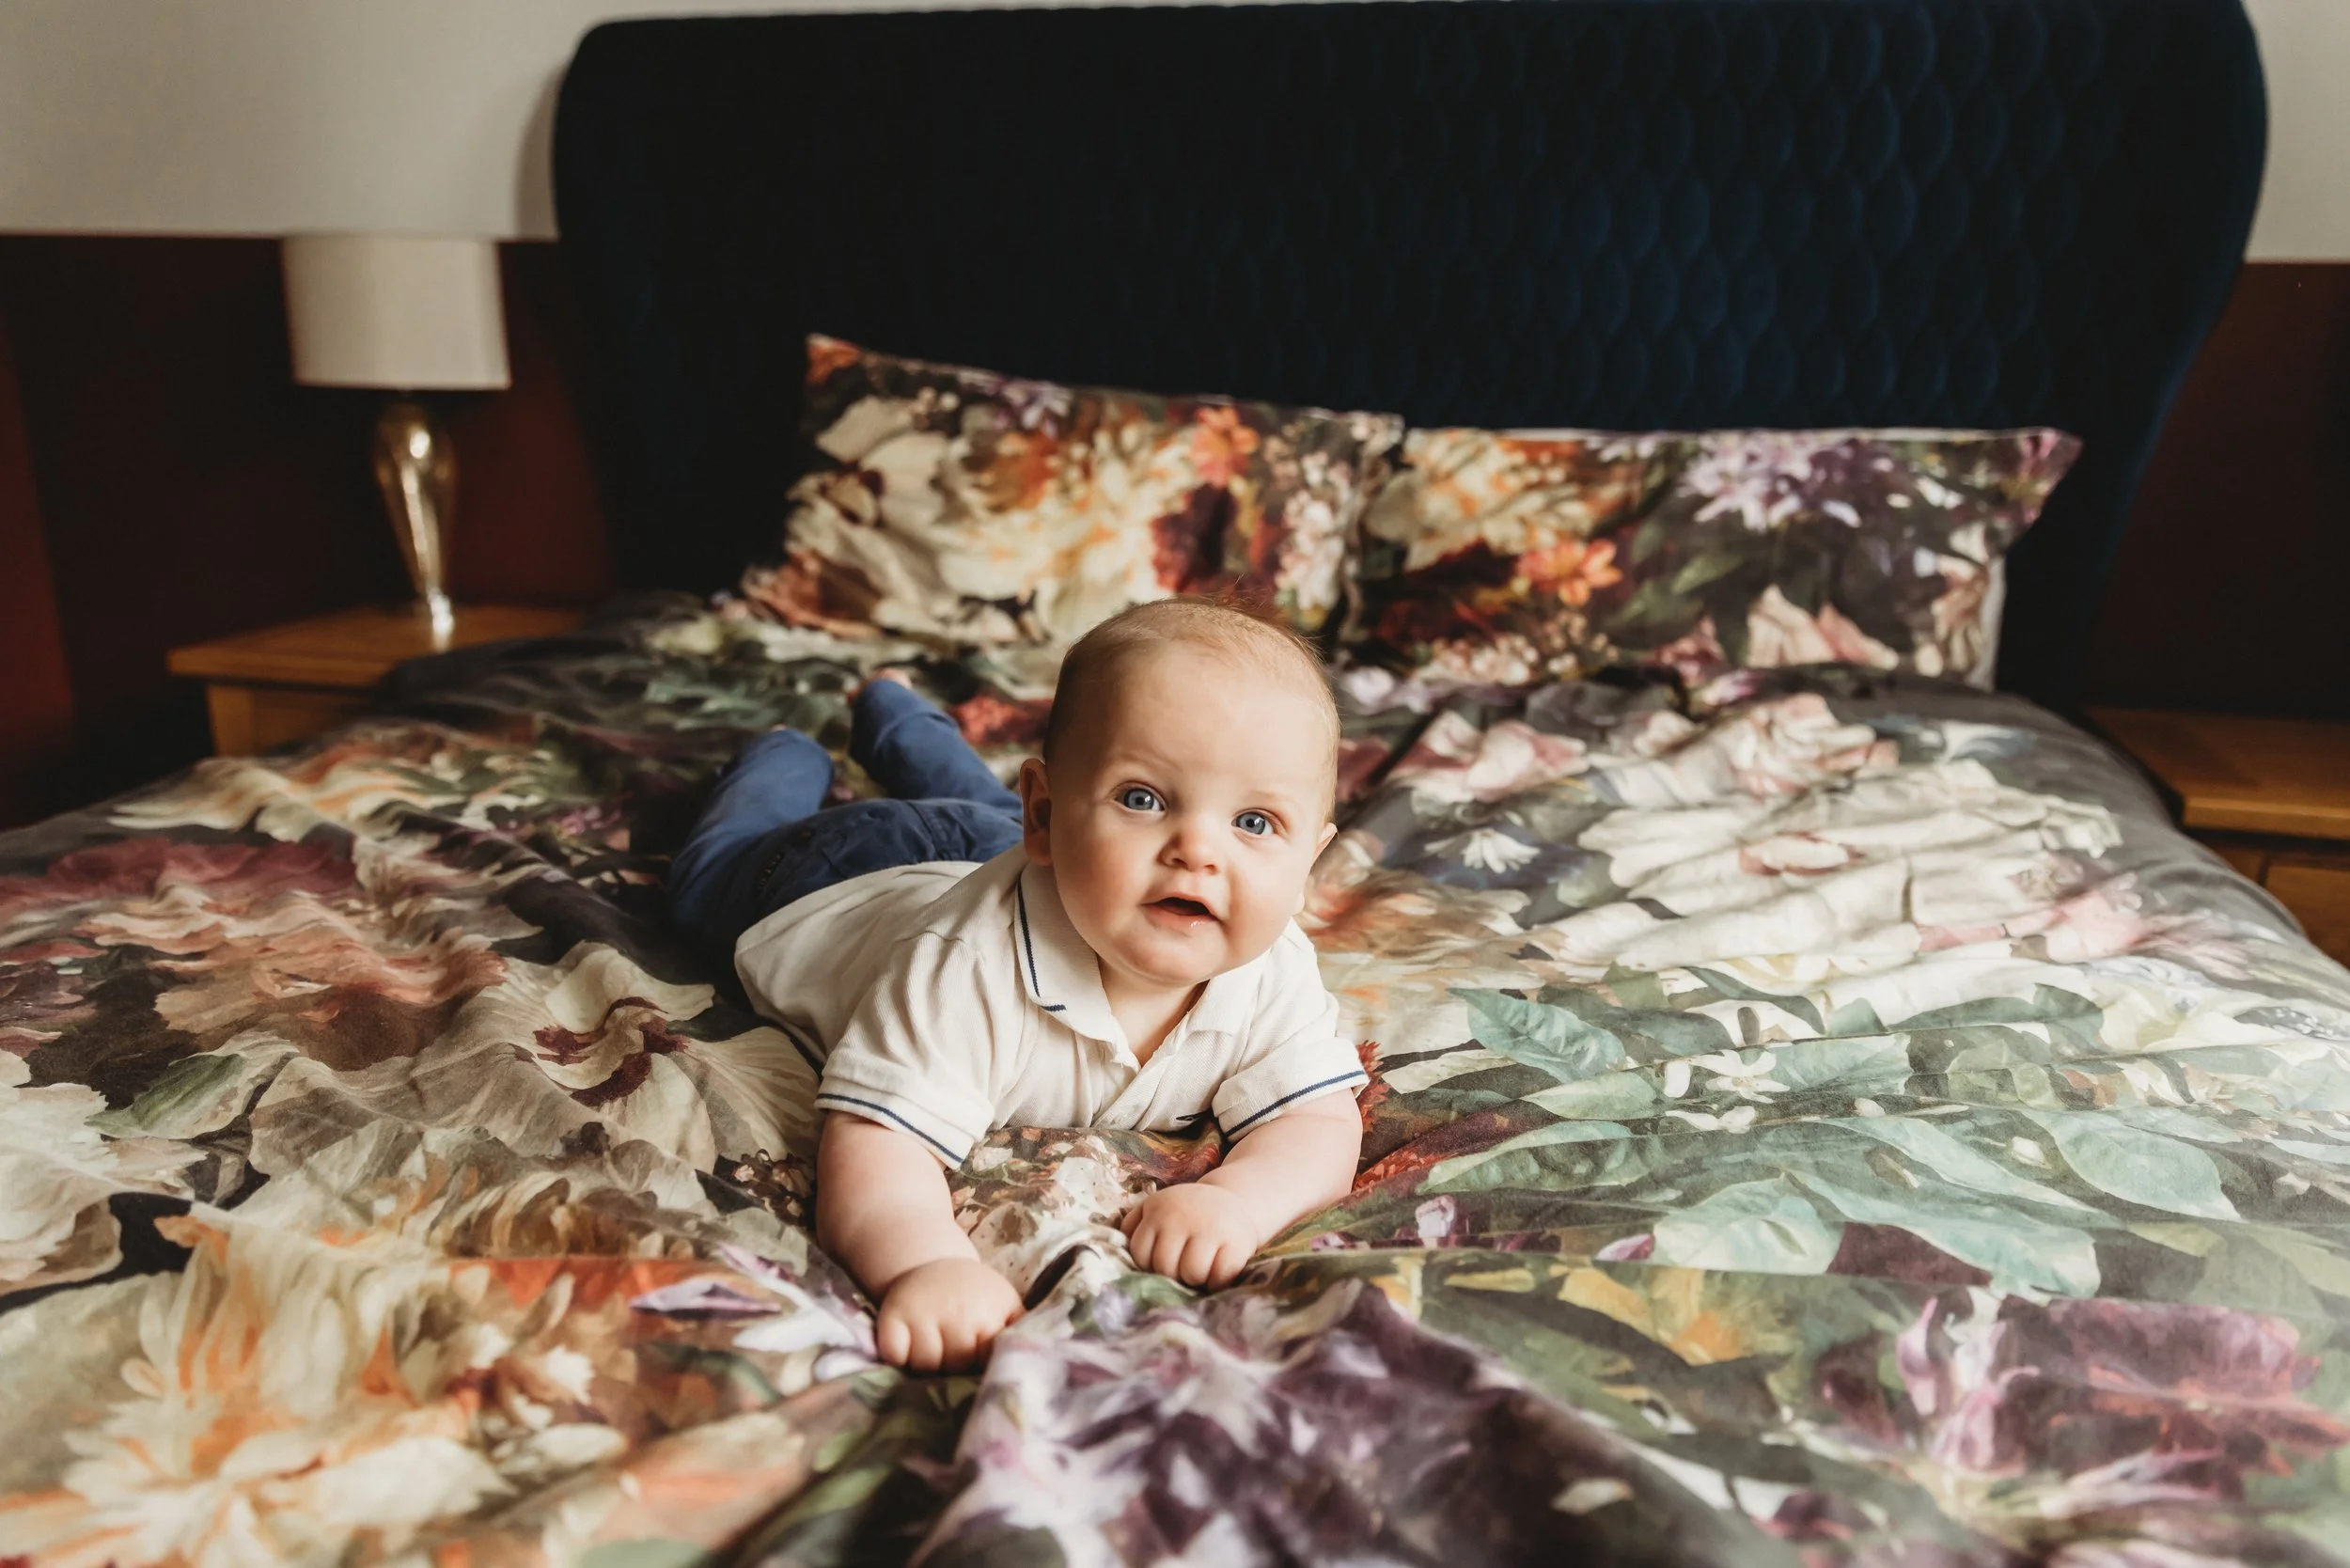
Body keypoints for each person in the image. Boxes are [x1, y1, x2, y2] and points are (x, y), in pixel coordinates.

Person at [668, 598, 1366, 1372]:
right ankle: (783, 754)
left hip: (1008, 842)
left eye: (1256, 823)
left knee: (988, 811)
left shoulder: (1270, 966)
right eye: (1143, 798)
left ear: (1309, 863)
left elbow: (1317, 1121)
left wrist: (1242, 1199)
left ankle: (892, 709)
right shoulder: (967, 967)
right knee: (705, 885)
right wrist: (926, 1264)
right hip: (848, 869)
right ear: (1050, 817)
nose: (1198, 851)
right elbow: (879, 1144)